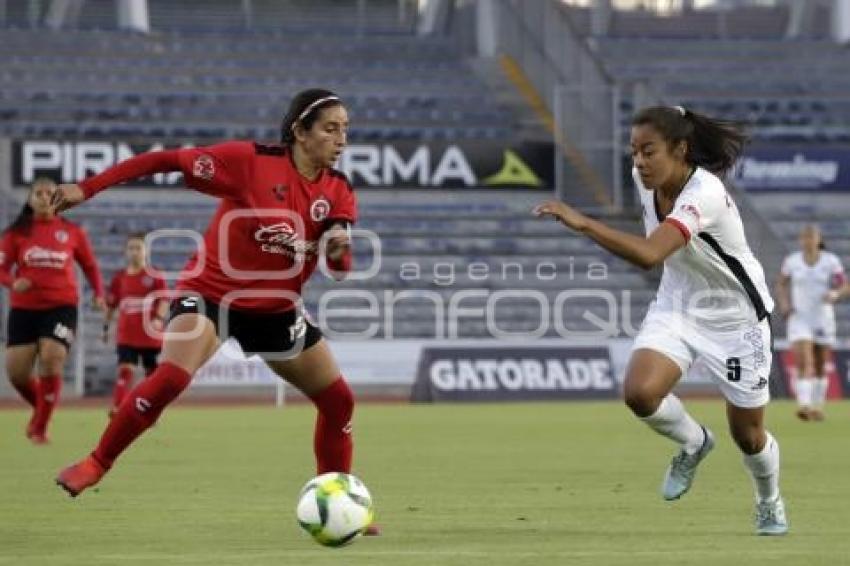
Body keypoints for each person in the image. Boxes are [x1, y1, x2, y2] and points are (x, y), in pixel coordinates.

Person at [52, 88, 377, 537]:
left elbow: (340, 267)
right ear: (300, 132)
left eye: (345, 129)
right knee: (172, 376)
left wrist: (340, 251)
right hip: (211, 293)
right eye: (330, 128)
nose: (341, 139)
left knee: (339, 400)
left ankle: (337, 500)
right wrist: (86, 188)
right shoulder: (249, 162)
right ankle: (96, 462)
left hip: (276, 309)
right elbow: (161, 160)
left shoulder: (338, 190)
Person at [533, 106, 787, 535]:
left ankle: (769, 501)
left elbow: (651, 254)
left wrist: (584, 223)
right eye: (633, 152)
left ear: (680, 149)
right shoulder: (643, 181)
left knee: (749, 436)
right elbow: (663, 257)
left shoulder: (703, 193)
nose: (639, 162)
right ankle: (694, 443)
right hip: (678, 305)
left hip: (736, 321)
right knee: (640, 393)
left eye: (648, 151)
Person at [1, 177, 105, 444]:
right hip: (24, 309)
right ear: (30, 199)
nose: (45, 197)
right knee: (17, 373)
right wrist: (14, 282)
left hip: (61, 306)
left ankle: (40, 427)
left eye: (50, 192)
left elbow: (90, 266)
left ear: (58, 197)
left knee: (52, 355)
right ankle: (43, 407)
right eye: (39, 193)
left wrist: (99, 294)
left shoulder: (72, 232)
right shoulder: (16, 233)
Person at [776, 225, 849, 421]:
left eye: (811, 237)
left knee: (820, 363)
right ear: (800, 240)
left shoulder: (830, 261)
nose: (808, 240)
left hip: (823, 318)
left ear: (819, 240)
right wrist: (784, 304)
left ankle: (817, 406)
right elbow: (781, 283)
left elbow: (844, 285)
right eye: (804, 237)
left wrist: (835, 293)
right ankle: (804, 406)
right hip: (799, 318)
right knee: (803, 361)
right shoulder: (792, 262)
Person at [103, 233, 169, 416]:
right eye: (131, 248)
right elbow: (111, 305)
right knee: (125, 370)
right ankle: (118, 408)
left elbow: (164, 299)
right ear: (125, 252)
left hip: (150, 335)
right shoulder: (119, 278)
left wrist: (158, 318)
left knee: (152, 375)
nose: (134, 252)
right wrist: (106, 327)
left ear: (146, 251)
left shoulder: (154, 276)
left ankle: (152, 410)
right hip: (127, 334)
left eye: (138, 248)